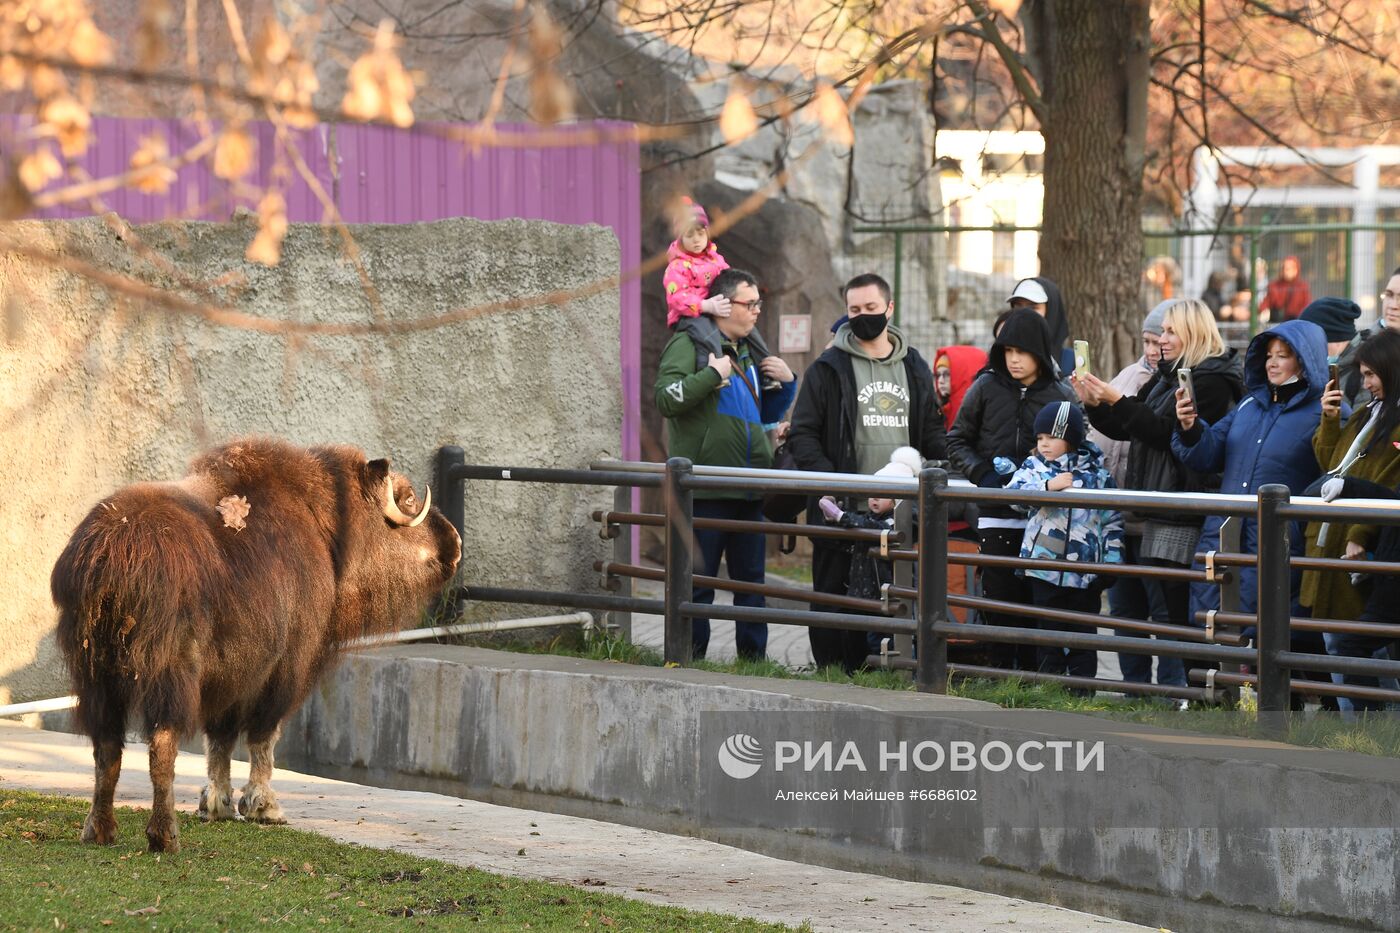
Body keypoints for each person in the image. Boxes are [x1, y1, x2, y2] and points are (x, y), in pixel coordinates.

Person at [1074, 300, 1243, 677]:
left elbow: (1164, 433)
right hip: (1161, 507)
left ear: (1193, 333)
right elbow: (1130, 427)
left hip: (1186, 509)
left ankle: (1198, 693)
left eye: (1169, 332)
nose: (1161, 341)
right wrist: (1098, 404)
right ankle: (1185, 694)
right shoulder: (1168, 375)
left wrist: (1115, 400)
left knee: (1184, 611)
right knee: (1170, 610)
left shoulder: (1210, 379)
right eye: (1160, 332)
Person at [788, 272, 946, 673]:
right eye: (854, 310)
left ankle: (892, 671)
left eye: (871, 309)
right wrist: (835, 487)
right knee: (833, 593)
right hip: (842, 510)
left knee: (895, 591)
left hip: (900, 513)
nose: (862, 316)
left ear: (889, 309)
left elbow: (930, 429)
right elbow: (803, 433)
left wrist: (936, 473)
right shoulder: (828, 368)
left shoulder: (914, 365)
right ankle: (832, 672)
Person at [654, 268, 797, 660]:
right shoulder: (688, 344)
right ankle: (687, 656)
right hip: (706, 488)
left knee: (752, 582)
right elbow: (666, 398)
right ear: (721, 305)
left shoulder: (748, 352)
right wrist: (708, 375)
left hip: (749, 488)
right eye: (748, 304)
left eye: (758, 304)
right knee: (697, 583)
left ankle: (754, 661)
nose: (755, 312)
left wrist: (787, 386)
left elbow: (760, 417)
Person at [1171, 320, 1330, 648]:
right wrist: (1190, 426)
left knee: (1271, 634)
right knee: (1217, 624)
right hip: (1225, 532)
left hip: (1277, 539)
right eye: (1269, 355)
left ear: (1305, 360)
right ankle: (1216, 697)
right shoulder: (1249, 405)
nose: (1272, 362)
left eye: (1283, 355)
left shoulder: (1324, 412)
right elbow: (1207, 453)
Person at [947, 308, 1078, 670]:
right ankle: (1004, 680)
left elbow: (1077, 449)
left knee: (1040, 604)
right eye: (1008, 351)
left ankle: (1040, 684)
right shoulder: (985, 386)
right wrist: (984, 475)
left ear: (1040, 351)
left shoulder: (1060, 392)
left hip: (1046, 516)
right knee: (1001, 601)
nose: (1014, 359)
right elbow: (956, 440)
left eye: (1022, 351)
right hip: (996, 514)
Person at [1006, 402, 1123, 682]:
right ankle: (1049, 688)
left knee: (1084, 634)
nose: (1044, 444)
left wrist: (1112, 561)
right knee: (1048, 633)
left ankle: (1083, 690)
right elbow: (1012, 496)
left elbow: (1113, 519)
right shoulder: (1034, 468)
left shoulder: (1097, 475)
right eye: (1039, 438)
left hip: (1084, 573)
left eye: (1051, 437)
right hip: (1043, 569)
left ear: (1070, 439)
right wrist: (1047, 488)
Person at [1085, 301, 1170, 685]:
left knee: (1165, 611)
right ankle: (1135, 689)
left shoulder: (1176, 383)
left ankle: (1173, 693)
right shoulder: (1126, 376)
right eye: (1148, 341)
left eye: (1161, 340)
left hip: (1156, 517)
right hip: (1119, 517)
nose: (1153, 350)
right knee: (1123, 610)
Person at [1300, 328, 1400, 627]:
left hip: (1357, 543)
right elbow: (1331, 464)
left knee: (1354, 641)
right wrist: (1329, 420)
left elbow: (1389, 487)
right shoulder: (1366, 414)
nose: (1366, 383)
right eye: (1363, 374)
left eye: (1371, 375)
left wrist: (1360, 534)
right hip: (1333, 538)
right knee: (1342, 642)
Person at [816, 447, 923, 659]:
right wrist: (834, 518)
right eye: (872, 493)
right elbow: (861, 528)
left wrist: (841, 516)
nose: (874, 499)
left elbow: (877, 530)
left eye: (882, 495)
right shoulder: (872, 517)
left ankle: (899, 670)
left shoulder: (899, 519)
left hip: (887, 589)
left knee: (884, 635)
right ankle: (867, 669)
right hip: (867, 588)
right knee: (864, 634)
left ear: (898, 497)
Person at [1314, 473, 1400, 711]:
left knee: (1352, 644)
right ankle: (1374, 729)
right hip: (1388, 585)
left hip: (1390, 585)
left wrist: (1349, 485)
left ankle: (1373, 729)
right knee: (1351, 644)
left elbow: (1390, 501)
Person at [662, 197, 773, 381]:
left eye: (700, 233)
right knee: (708, 335)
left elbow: (729, 280)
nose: (696, 240)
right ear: (680, 237)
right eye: (689, 235)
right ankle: (710, 375)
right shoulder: (677, 267)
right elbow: (677, 299)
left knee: (750, 329)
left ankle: (768, 372)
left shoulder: (715, 259)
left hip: (716, 308)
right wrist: (704, 306)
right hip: (690, 315)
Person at [1299, 297, 1364, 408]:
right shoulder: (1325, 368)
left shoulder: (1366, 371)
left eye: (1312, 342)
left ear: (1335, 340)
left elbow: (1360, 422)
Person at [1007, 276, 1074, 376]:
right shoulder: (1000, 358)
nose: (1024, 313)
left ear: (1051, 311)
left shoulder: (1070, 361)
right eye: (1018, 306)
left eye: (1033, 307)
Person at [933, 345, 989, 431]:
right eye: (938, 375)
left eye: (947, 374)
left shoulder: (978, 414)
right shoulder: (936, 410)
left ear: (962, 376)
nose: (940, 381)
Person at [1259, 255, 1312, 323]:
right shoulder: (1274, 286)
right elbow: (1265, 304)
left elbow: (1307, 306)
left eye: (1288, 269)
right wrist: (1264, 311)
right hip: (1277, 323)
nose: (1285, 271)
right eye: (1283, 268)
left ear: (1296, 270)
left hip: (1296, 323)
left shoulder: (1302, 287)